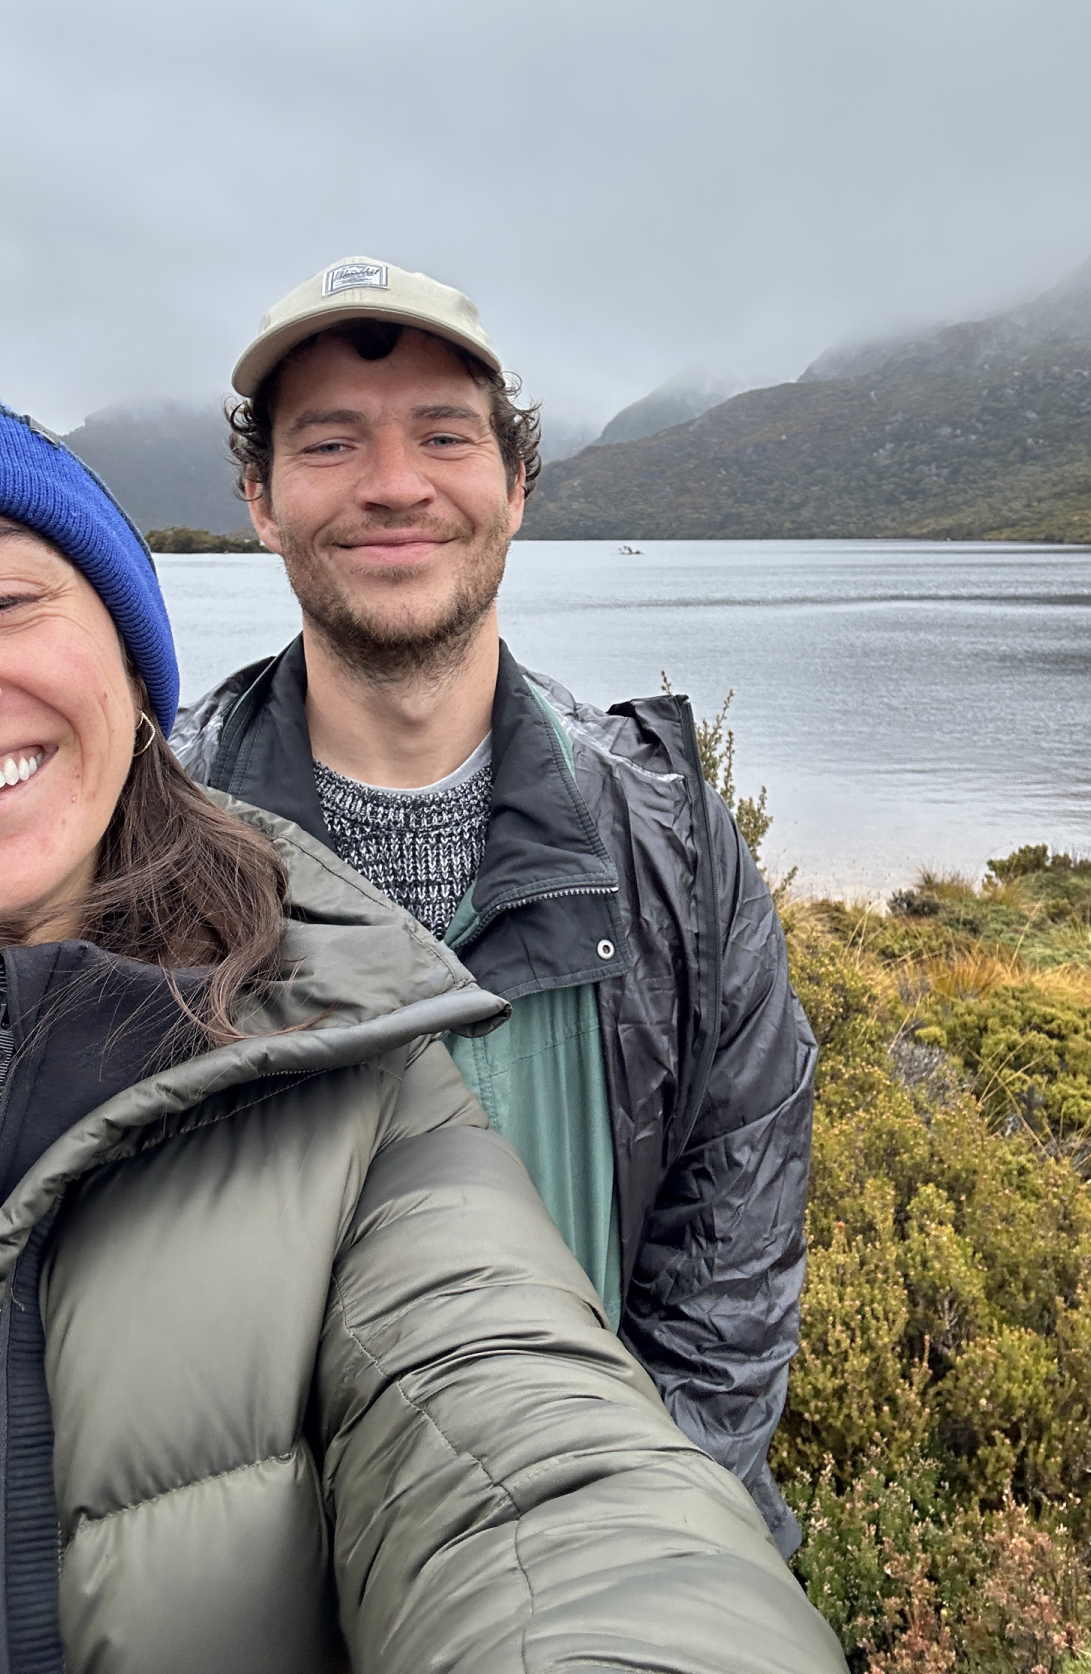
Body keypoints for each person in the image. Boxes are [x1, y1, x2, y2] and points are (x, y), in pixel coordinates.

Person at [0, 367, 846, 1674]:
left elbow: (553, 1422)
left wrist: (685, 1508)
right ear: (257, 499)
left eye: (2, 600)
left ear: (518, 485)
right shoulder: (225, 885)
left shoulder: (625, 866)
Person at [174, 255, 819, 1553]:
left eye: (444, 436)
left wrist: (632, 1540)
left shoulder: (673, 842)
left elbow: (730, 1250)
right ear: (260, 499)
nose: (394, 483)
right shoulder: (153, 841)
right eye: (331, 442)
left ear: (516, 484)